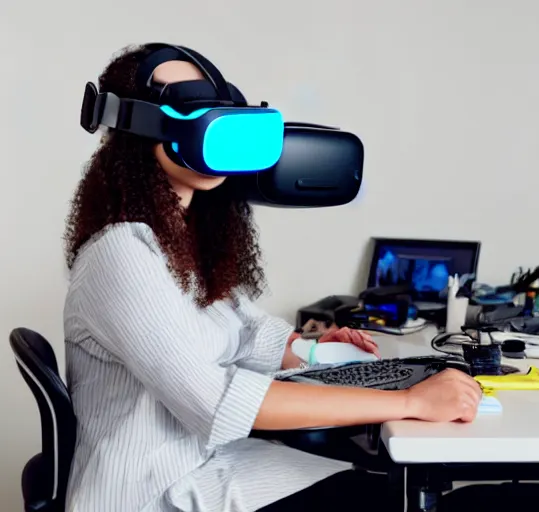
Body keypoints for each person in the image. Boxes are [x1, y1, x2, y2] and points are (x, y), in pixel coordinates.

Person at [62, 45, 483, 512]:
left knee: (381, 480)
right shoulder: (122, 254)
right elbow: (218, 404)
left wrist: (313, 350)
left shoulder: (178, 242)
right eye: (191, 103)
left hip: (208, 467)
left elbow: (248, 334)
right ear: (137, 128)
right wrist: (411, 402)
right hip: (151, 493)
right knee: (383, 495)